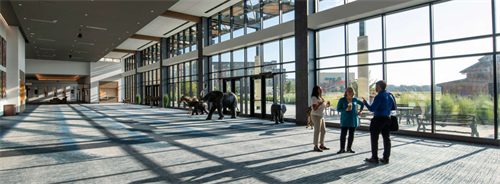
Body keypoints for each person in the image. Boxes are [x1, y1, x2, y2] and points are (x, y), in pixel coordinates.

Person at [362, 80, 396, 164]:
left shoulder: (379, 96)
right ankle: (386, 158)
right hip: (387, 119)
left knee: (374, 138)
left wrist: (365, 103)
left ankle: (374, 157)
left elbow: (372, 109)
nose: (375, 88)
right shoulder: (390, 95)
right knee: (386, 138)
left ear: (379, 87)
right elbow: (393, 107)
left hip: (378, 119)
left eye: (376, 86)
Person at [336, 87, 364, 154]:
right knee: (343, 134)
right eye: (349, 91)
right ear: (346, 92)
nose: (350, 92)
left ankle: (349, 148)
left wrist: (360, 111)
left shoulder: (355, 99)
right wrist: (345, 110)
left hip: (353, 119)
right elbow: (338, 109)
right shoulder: (342, 100)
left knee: (351, 134)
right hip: (345, 119)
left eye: (351, 91)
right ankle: (342, 148)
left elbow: (362, 103)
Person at [311, 85, 330, 152]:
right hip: (316, 115)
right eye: (319, 89)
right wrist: (319, 104)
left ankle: (322, 144)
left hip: (321, 115)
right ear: (316, 90)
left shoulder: (320, 97)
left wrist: (327, 105)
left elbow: (323, 107)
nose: (321, 90)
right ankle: (315, 146)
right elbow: (314, 108)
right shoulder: (314, 98)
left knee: (323, 130)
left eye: (321, 89)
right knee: (317, 130)